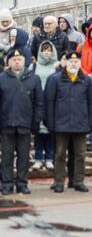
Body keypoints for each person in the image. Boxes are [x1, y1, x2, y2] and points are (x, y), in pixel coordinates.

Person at [45, 51, 92, 193]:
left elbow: (91, 102)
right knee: (60, 154)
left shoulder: (86, 80)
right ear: (65, 63)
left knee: (80, 155)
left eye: (76, 61)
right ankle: (59, 181)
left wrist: (90, 122)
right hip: (61, 123)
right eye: (71, 61)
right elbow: (50, 102)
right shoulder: (55, 79)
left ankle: (78, 181)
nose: (74, 64)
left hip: (80, 123)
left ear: (80, 63)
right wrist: (50, 122)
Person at [0, 50, 43, 195]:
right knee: (6, 156)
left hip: (25, 124)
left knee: (23, 157)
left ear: (24, 61)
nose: (17, 62)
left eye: (19, 59)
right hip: (7, 124)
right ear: (9, 62)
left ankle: (22, 183)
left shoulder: (34, 78)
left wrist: (36, 121)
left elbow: (39, 102)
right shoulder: (2, 78)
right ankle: (6, 184)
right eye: (14, 59)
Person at [32, 41, 57, 171]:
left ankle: (49, 158)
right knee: (38, 132)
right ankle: (37, 158)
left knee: (49, 132)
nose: (46, 52)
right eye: (44, 50)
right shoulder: (34, 66)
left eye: (49, 50)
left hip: (51, 102)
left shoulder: (56, 65)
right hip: (37, 101)